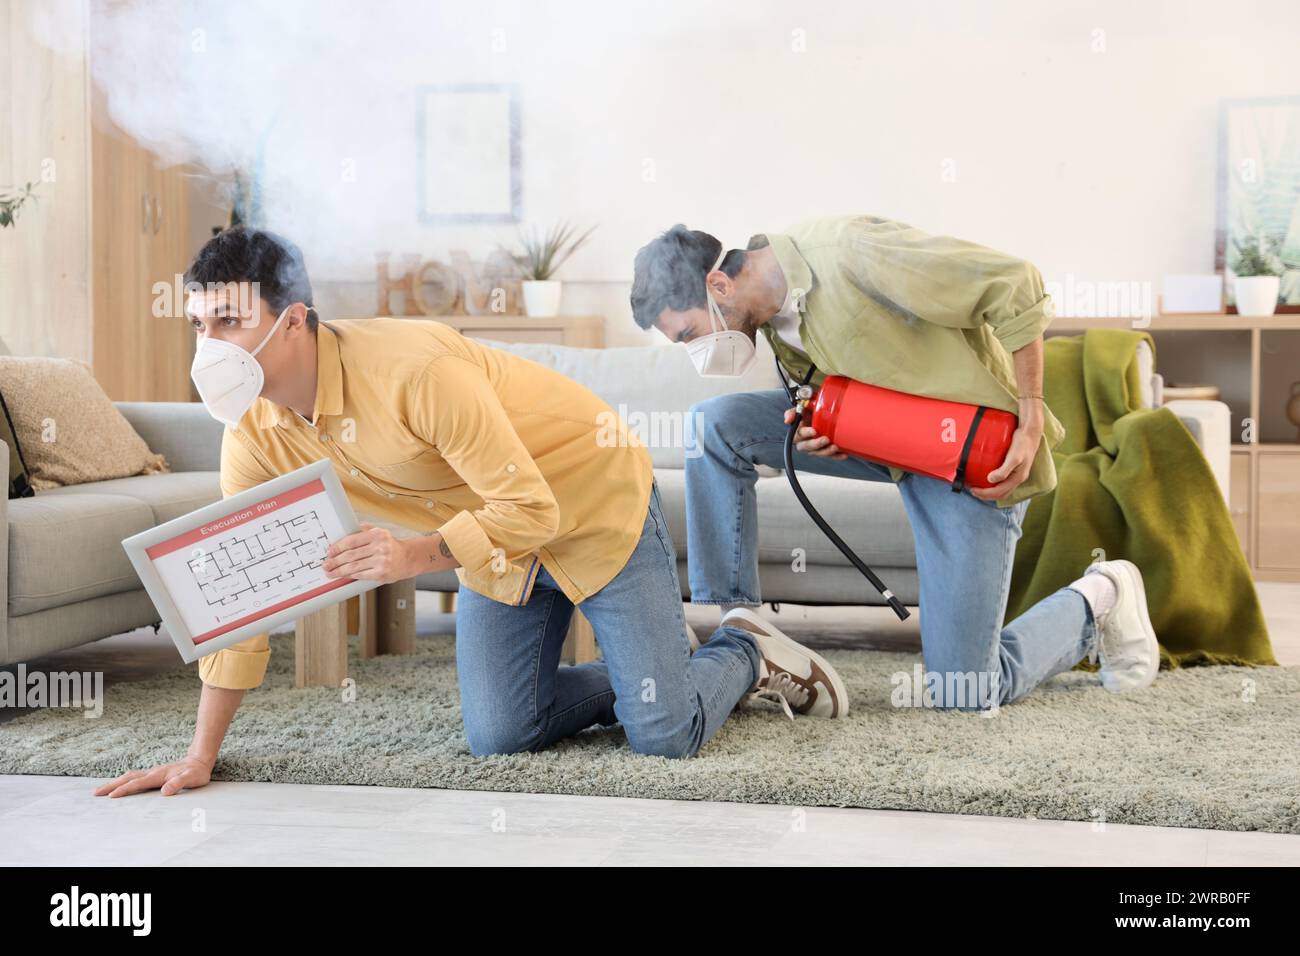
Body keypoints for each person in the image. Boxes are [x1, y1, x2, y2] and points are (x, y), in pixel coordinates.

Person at [94, 226, 850, 799]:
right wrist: (201, 755)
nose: (208, 346)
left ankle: (743, 649)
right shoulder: (253, 434)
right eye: (198, 325)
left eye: (227, 323)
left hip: (589, 501)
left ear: (293, 321)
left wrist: (410, 555)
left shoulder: (415, 371)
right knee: (501, 736)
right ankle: (649, 666)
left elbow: (530, 504)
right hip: (494, 548)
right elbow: (246, 598)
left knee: (665, 736)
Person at [628, 216, 1161, 711]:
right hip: (882, 449)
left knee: (967, 691)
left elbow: (1016, 283)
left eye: (689, 334)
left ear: (719, 287)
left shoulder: (850, 251)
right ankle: (741, 632)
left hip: (965, 460)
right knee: (712, 425)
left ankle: (1102, 596)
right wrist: (825, 425)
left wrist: (1031, 415)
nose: (695, 350)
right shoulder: (768, 320)